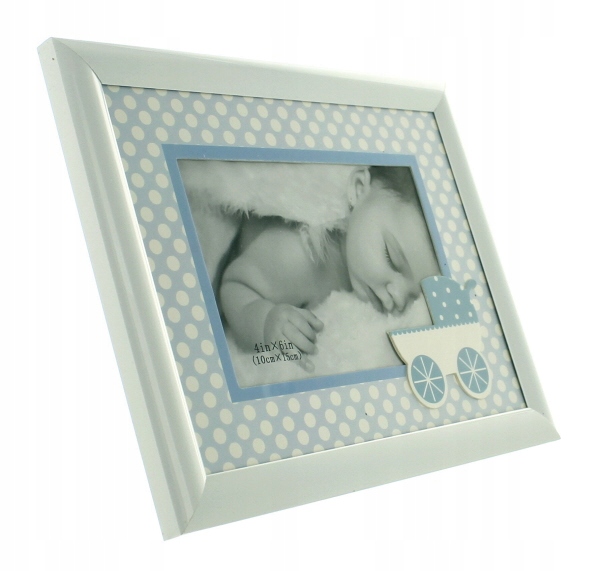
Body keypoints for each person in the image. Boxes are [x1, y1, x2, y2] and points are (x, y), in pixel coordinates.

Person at [219, 165, 439, 370]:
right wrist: (265, 322)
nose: (398, 297)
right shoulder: (298, 255)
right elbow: (235, 285)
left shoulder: (364, 275)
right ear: (358, 189)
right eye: (391, 257)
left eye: (413, 295)